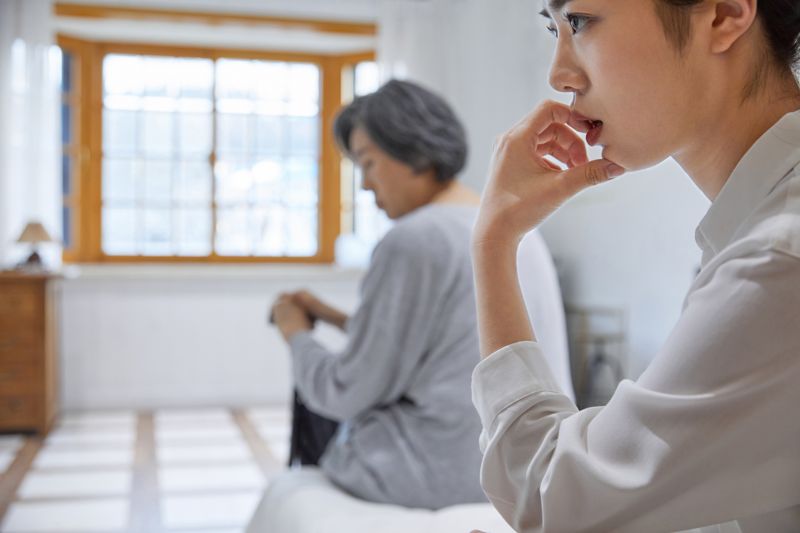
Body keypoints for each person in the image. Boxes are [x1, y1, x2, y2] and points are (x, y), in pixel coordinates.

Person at [470, 0, 800, 532]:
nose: (559, 76)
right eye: (552, 29)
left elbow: (555, 501)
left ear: (723, 14)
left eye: (578, 21)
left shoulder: (778, 255)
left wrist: (493, 241)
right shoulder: (762, 227)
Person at [269, 79, 487, 509]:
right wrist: (334, 318)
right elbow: (438, 342)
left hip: (431, 472)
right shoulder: (499, 224)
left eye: (368, 164)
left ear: (416, 152)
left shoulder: (415, 238)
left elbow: (346, 391)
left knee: (324, 416)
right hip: (505, 465)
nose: (366, 186)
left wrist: (295, 332)